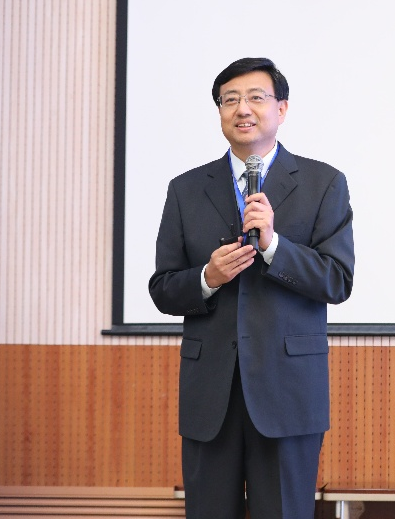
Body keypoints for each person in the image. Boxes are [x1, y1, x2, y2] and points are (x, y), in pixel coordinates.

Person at [149, 57, 355, 519]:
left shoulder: (323, 183)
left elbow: (337, 280)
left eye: (256, 98)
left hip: (288, 394)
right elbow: (162, 288)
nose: (242, 109)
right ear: (220, 112)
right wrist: (207, 278)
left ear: (281, 109)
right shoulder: (185, 189)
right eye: (230, 100)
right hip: (210, 396)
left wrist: (275, 246)